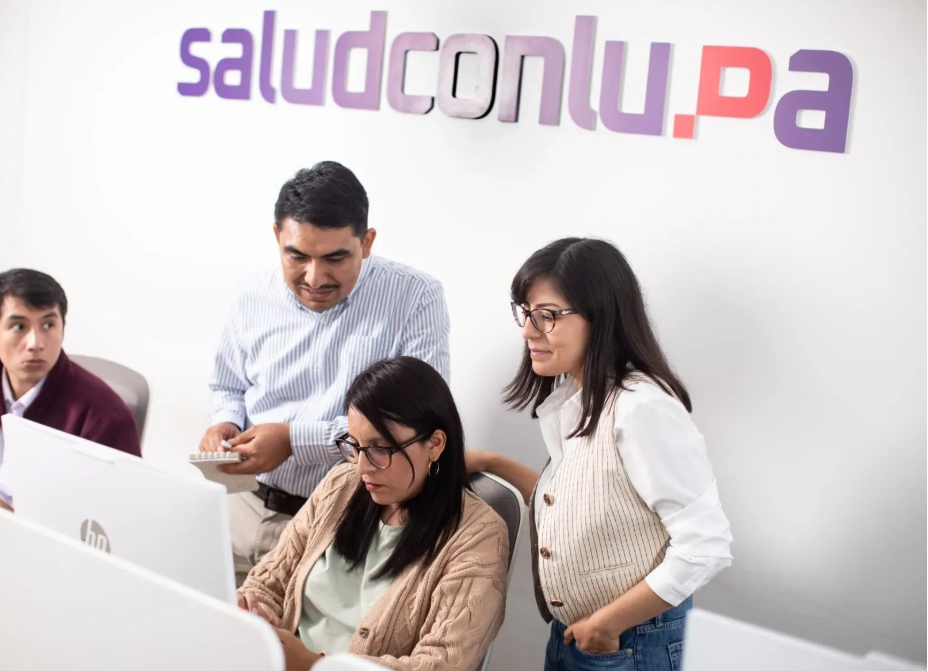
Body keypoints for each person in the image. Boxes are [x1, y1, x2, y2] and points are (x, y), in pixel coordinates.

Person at [466, 238, 733, 671]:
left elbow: (706, 546)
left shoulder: (642, 407)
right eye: (526, 313)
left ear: (601, 316)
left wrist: (606, 626)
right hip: (579, 635)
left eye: (547, 316)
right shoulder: (577, 398)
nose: (528, 331)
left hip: (628, 641)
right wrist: (491, 462)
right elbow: (582, 507)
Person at [198, 161, 450, 584]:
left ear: (366, 243)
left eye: (336, 258)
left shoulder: (415, 298)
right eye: (297, 256)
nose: (315, 277)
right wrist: (223, 421)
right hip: (240, 509)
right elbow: (227, 385)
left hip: (343, 525)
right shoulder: (250, 294)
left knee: (303, 650)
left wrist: (295, 440)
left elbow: (411, 426)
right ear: (277, 237)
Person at [239, 356, 507, 671]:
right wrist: (254, 610)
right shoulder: (341, 484)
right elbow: (268, 581)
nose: (362, 467)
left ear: (434, 444)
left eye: (381, 448)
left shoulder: (478, 537)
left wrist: (314, 665)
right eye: (355, 445)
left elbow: (442, 664)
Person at [0, 269, 141, 509]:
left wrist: (19, 517)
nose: (35, 343)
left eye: (48, 324)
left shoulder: (106, 414)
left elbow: (117, 512)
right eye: (19, 327)